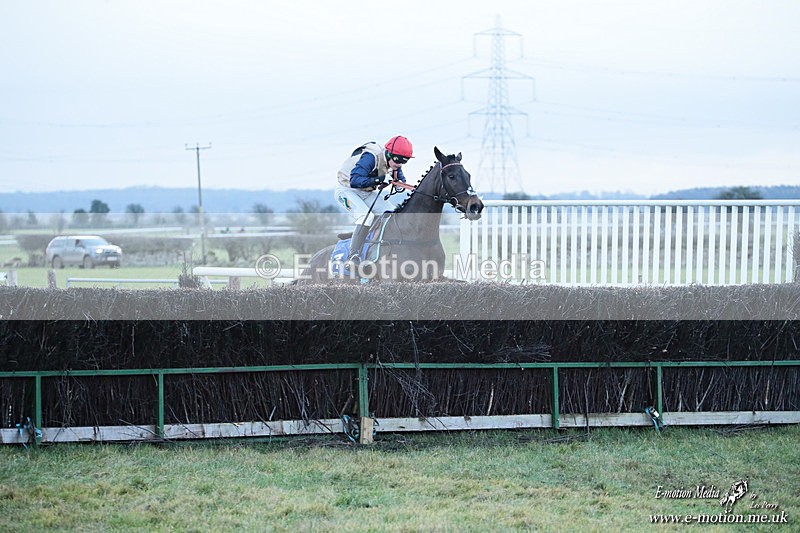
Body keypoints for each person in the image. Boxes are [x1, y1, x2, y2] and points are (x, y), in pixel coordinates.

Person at [334, 135, 413, 265]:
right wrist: (379, 180)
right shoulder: (371, 157)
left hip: (366, 192)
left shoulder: (395, 162)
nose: (399, 165)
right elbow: (355, 181)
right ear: (388, 154)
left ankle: (376, 247)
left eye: (404, 162)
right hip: (347, 190)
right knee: (366, 216)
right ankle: (353, 256)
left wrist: (400, 183)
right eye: (398, 160)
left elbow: (399, 176)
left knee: (392, 214)